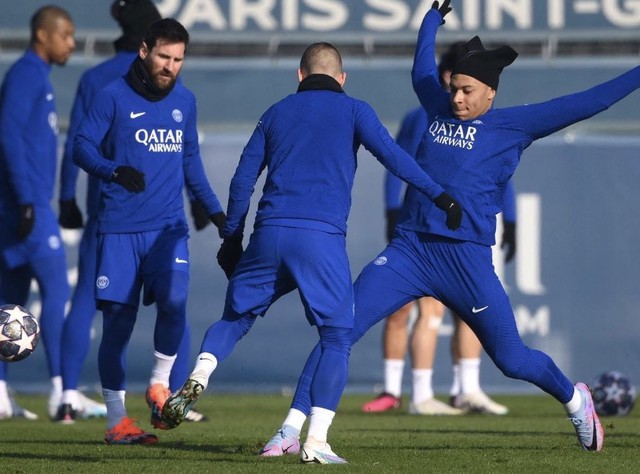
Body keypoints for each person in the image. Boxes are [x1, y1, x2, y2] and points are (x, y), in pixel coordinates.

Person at [255, 0, 640, 455]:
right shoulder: (437, 107)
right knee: (339, 330)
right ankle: (290, 430)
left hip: (465, 260)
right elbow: (420, 65)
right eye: (454, 87)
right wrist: (431, 20)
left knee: (513, 360)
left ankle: (577, 401)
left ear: (491, 93)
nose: (457, 97)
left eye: (468, 90)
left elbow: (591, 101)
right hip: (410, 252)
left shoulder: (515, 126)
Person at [159, 42, 463, 464]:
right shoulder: (355, 110)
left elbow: (242, 180)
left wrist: (232, 238)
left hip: (269, 233)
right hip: (319, 239)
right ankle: (316, 441)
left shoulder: (276, 111)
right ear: (342, 78)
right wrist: (440, 195)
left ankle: (200, 374)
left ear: (299, 76)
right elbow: (397, 160)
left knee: (235, 318)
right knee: (337, 336)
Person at [73, 18, 225, 445]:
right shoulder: (112, 96)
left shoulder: (186, 101)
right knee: (118, 327)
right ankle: (117, 421)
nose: (170, 67)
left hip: (168, 228)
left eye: (178, 59)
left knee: (175, 302)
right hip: (120, 229)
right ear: (144, 51)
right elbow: (81, 145)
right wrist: (113, 170)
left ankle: (159, 384)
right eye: (164, 57)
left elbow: (190, 160)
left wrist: (213, 211)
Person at [364, 45, 515, 414]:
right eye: (453, 81)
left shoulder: (491, 124)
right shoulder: (426, 115)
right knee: (421, 313)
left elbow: (500, 177)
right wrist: (391, 210)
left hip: (469, 234)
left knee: (469, 315)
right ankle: (412, 391)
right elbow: (397, 162)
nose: (457, 92)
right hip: (428, 231)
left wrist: (509, 219)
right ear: (446, 79)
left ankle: (467, 388)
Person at [0, 5, 75, 420]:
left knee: (8, 300)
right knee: (55, 295)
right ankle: (62, 395)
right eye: (66, 35)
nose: (71, 44)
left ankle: (1, 395)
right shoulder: (26, 75)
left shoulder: (36, 77)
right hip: (27, 208)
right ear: (43, 36)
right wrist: (28, 199)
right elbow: (7, 135)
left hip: (21, 205)